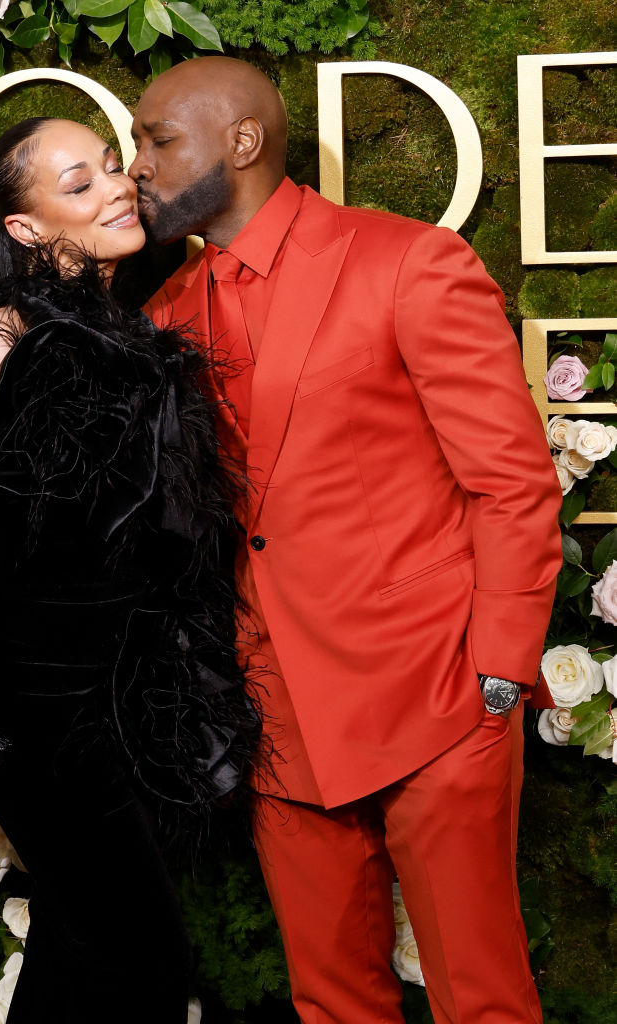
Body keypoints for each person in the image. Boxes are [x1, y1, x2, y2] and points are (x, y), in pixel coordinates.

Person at [129, 56, 563, 1024]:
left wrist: (498, 664)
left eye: (157, 140)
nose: (137, 167)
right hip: (276, 707)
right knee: (329, 999)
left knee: (479, 996)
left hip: (434, 691)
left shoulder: (406, 261)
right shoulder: (163, 313)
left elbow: (510, 480)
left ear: (241, 141)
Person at [0, 116, 260, 1023]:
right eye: (77, 184)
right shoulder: (2, 339)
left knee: (79, 952)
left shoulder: (130, 330)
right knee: (146, 963)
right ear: (25, 230)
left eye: (113, 168)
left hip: (116, 700)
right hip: (28, 709)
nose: (118, 187)